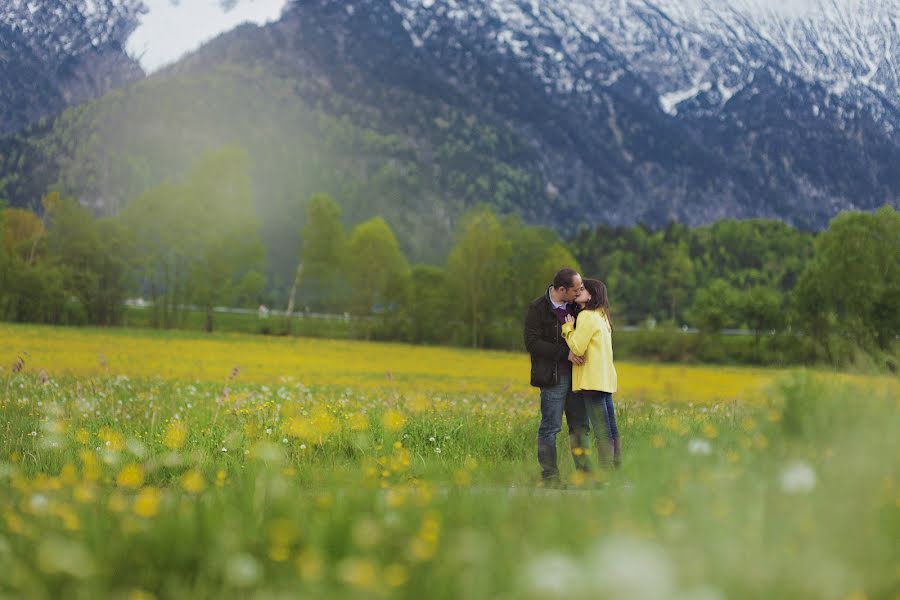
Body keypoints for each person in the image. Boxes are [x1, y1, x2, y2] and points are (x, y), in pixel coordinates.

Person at [523, 268, 591, 484]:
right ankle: (550, 477)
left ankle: (585, 476)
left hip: (579, 377)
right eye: (576, 289)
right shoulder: (538, 308)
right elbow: (532, 343)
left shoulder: (578, 306)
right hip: (554, 377)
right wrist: (565, 354)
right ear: (562, 289)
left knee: (580, 426)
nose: (580, 291)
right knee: (550, 427)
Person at [561, 278, 621, 468]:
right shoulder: (603, 317)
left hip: (592, 382)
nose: (578, 291)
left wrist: (568, 328)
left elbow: (577, 348)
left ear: (592, 295)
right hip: (605, 381)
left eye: (583, 289)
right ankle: (615, 469)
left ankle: (606, 472)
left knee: (601, 430)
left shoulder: (586, 316)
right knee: (611, 428)